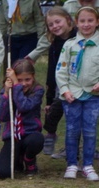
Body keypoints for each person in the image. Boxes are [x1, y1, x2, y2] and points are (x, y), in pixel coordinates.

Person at [55, 6, 99, 181]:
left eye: (90, 20)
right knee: (72, 130)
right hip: (72, 95)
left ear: (97, 22)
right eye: (82, 21)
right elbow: (60, 70)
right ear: (76, 23)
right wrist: (65, 90)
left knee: (90, 130)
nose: (86, 24)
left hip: (93, 96)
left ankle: (87, 165)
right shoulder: (69, 45)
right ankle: (72, 164)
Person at [0, 60, 44, 179]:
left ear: (33, 77)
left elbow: (23, 106)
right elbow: (2, 117)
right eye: (19, 79)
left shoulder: (37, 91)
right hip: (13, 136)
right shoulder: (7, 90)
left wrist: (16, 85)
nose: (23, 84)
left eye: (27, 79)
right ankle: (18, 159)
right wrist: (6, 93)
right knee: (2, 172)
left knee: (37, 140)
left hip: (30, 134)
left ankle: (29, 159)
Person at [39, 8, 76, 157]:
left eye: (57, 21)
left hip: (78, 85)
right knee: (53, 111)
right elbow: (51, 70)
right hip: (60, 85)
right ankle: (51, 134)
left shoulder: (79, 37)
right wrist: (48, 99)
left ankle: (72, 149)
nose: (55, 26)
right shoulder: (54, 43)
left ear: (68, 19)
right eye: (50, 24)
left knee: (74, 119)